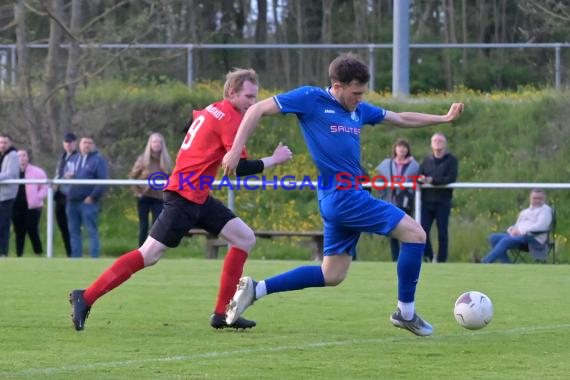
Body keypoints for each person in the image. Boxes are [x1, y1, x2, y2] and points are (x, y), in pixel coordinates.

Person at [222, 53, 463, 336]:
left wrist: (443, 118)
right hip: (343, 195)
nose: (359, 98)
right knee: (416, 234)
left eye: (362, 93)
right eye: (355, 93)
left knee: (331, 274)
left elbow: (399, 118)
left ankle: (257, 289)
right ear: (337, 86)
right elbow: (255, 110)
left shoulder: (358, 109)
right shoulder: (311, 99)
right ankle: (406, 313)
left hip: (341, 198)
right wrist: (237, 149)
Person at [69, 68, 293, 331]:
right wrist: (275, 159)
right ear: (232, 93)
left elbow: (195, 129)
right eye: (248, 97)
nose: (253, 104)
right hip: (184, 196)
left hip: (197, 195)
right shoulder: (231, 119)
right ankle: (86, 296)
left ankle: (221, 314)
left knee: (244, 238)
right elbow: (238, 168)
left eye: (255, 98)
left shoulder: (213, 109)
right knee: (149, 255)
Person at [477, 189, 552, 264]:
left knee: (506, 240)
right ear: (530, 198)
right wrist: (511, 230)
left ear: (544, 199)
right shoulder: (525, 211)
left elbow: (540, 226)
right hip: (519, 237)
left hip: (534, 238)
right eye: (534, 198)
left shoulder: (545, 210)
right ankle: (507, 264)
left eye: (539, 198)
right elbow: (517, 225)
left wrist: (521, 232)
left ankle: (485, 261)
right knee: (493, 238)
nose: (537, 200)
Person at [376, 138, 420, 262]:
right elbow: (379, 182)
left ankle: (407, 258)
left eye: (404, 147)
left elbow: (417, 181)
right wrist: (384, 195)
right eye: (399, 146)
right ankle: (395, 258)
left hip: (406, 203)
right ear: (395, 149)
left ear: (408, 150)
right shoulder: (386, 164)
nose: (402, 149)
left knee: (407, 231)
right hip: (390, 201)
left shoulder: (414, 165)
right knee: (393, 233)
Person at [66, 136, 109, 258]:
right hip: (72, 201)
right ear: (80, 144)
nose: (87, 145)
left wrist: (92, 196)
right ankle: (76, 258)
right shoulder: (74, 159)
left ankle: (94, 257)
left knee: (91, 231)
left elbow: (103, 180)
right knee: (74, 232)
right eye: (84, 142)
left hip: (88, 201)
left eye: (90, 143)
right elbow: (65, 176)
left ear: (94, 145)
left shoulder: (98, 160)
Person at [419, 133, 458, 263]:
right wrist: (421, 179)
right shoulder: (426, 160)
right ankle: (429, 257)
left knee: (442, 232)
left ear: (445, 144)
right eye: (435, 140)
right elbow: (419, 175)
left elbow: (450, 178)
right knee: (422, 231)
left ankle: (442, 260)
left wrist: (433, 180)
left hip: (443, 201)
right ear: (431, 144)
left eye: (440, 140)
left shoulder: (451, 160)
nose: (437, 143)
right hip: (426, 201)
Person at [129, 133, 172, 246]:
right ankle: (141, 249)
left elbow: (170, 178)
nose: (156, 144)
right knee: (143, 225)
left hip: (159, 197)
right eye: (154, 141)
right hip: (144, 196)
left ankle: (152, 249)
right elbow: (132, 177)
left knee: (157, 225)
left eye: (159, 142)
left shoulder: (166, 161)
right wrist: (137, 192)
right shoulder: (143, 159)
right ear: (150, 144)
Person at [11, 149, 48, 256]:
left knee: (32, 229)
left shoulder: (37, 172)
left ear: (28, 157)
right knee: (19, 231)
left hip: (32, 206)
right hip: (16, 206)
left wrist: (37, 197)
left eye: (23, 155)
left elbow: (45, 187)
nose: (21, 158)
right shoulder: (12, 172)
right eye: (19, 156)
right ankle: (19, 254)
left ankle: (38, 252)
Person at [54, 132, 78, 257]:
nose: (68, 144)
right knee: (62, 225)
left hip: (71, 195)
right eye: (66, 142)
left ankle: (74, 253)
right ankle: (69, 253)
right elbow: (58, 174)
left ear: (75, 143)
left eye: (71, 142)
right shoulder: (62, 157)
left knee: (72, 227)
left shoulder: (78, 157)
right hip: (59, 195)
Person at [0, 134, 19, 257]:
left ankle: (3, 251)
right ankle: (3, 252)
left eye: (5, 142)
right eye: (0, 142)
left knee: (2, 224)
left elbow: (10, 174)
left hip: (6, 196)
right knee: (4, 225)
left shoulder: (12, 155)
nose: (2, 145)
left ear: (10, 143)